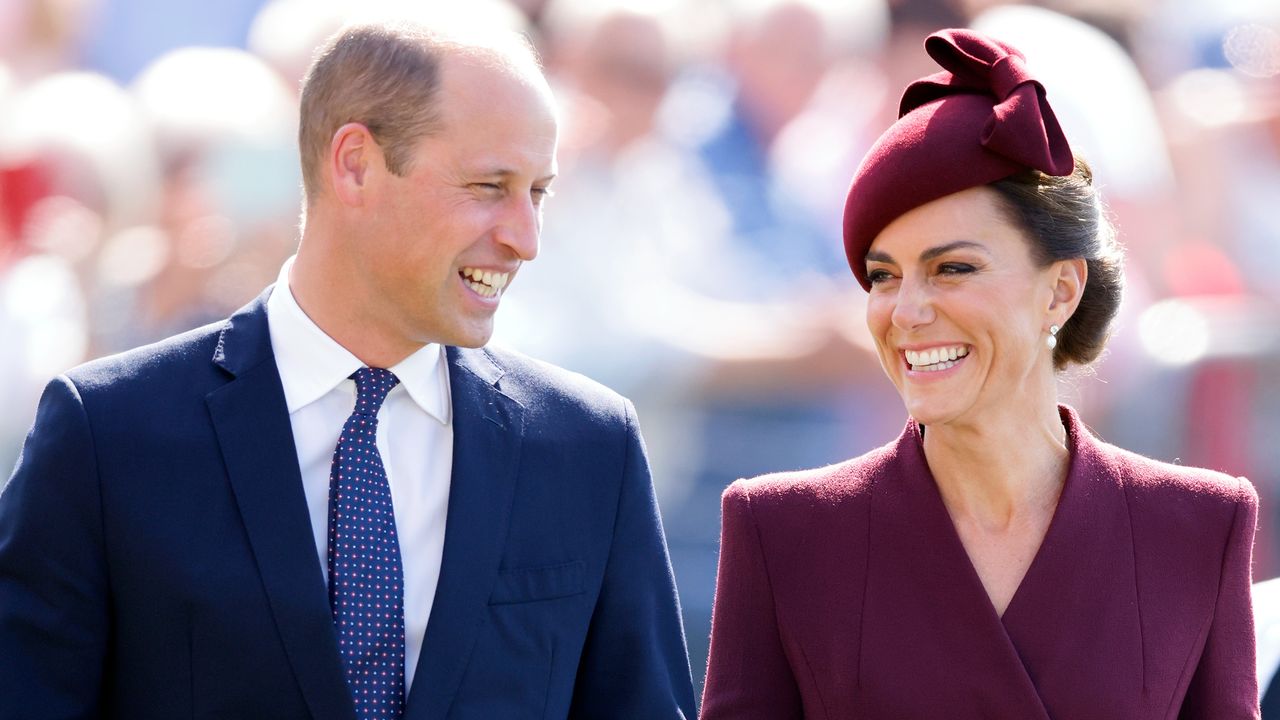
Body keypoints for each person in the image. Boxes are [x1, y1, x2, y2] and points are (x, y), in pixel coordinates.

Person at [0, 20, 696, 719]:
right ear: (356, 163)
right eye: (490, 186)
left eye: (538, 193)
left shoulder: (587, 449)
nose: (525, 238)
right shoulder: (109, 434)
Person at [700, 28, 1258, 719]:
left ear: (1060, 290)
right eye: (882, 276)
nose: (905, 311)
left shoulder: (1199, 524)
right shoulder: (782, 530)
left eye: (952, 269)